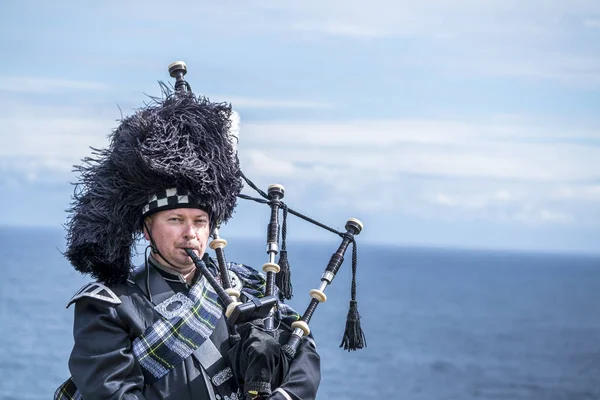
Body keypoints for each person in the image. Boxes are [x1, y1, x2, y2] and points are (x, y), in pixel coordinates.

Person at [54, 65, 321, 400]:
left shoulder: (246, 288)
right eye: (176, 220)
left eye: (199, 221)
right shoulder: (110, 306)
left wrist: (273, 369)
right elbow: (113, 392)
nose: (191, 234)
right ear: (147, 228)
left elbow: (304, 353)